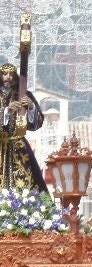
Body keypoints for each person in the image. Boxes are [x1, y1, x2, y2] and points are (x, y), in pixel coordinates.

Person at [0, 62, 48, 191]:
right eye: (5, 74)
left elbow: (37, 123)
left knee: (27, 181)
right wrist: (6, 111)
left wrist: (31, 107)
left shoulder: (24, 94)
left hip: (18, 146)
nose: (8, 77)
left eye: (11, 74)